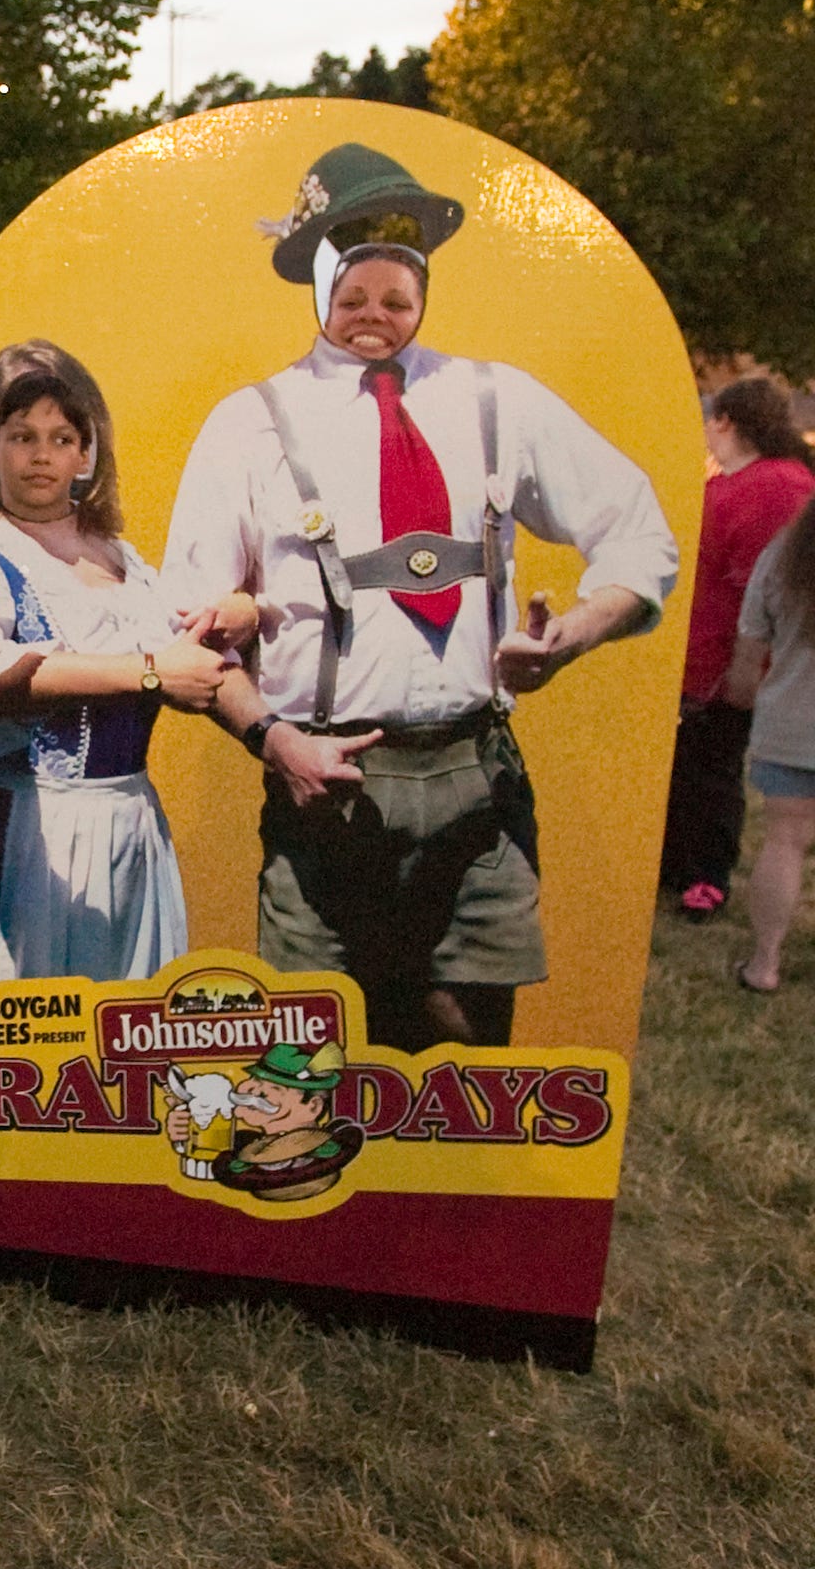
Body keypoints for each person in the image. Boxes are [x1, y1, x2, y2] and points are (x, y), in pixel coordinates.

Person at [162, 142, 679, 1053]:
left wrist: (573, 637)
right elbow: (190, 632)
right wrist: (274, 741)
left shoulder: (495, 401)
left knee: (465, 1066)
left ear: (425, 292)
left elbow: (642, 537)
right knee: (312, 1063)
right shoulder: (249, 422)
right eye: (353, 298)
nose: (375, 319)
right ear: (318, 287)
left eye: (397, 300)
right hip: (324, 786)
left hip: (477, 778)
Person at [0, 343, 369, 983]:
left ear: (86, 453)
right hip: (14, 835)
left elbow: (198, 662)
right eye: (21, 435)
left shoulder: (121, 560)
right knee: (27, 1051)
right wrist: (149, 671)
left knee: (123, 1051)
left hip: (128, 827)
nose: (41, 455)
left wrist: (279, 741)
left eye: (62, 437)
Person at [662, 378, 815, 918]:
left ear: (724, 422)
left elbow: (757, 588)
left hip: (728, 663)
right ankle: (688, 870)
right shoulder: (774, 482)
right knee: (700, 770)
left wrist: (738, 668)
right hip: (723, 660)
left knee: (709, 772)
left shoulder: (766, 488)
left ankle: (703, 877)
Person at [729, 498, 815, 991]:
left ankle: (764, 964)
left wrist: (744, 695)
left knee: (785, 842)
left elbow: (750, 649)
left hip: (790, 724)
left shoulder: (784, 554)